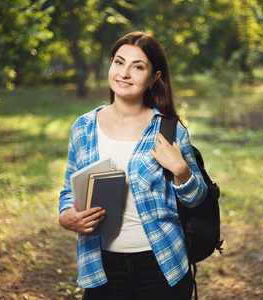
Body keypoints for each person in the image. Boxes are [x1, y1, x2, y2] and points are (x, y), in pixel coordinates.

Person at [58, 31, 207, 300]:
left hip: (162, 265)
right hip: (101, 264)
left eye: (137, 67)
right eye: (119, 62)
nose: (124, 73)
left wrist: (182, 171)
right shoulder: (83, 128)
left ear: (154, 78)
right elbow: (69, 189)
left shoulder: (168, 130)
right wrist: (66, 216)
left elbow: (196, 199)